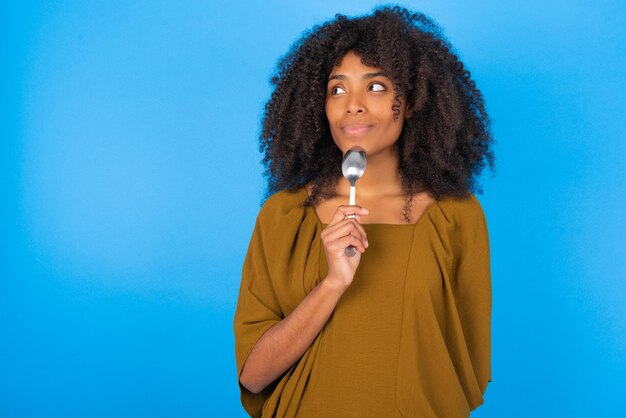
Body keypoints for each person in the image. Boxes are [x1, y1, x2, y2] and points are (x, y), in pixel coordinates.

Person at [234, 6, 494, 417]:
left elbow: (468, 369)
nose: (352, 105)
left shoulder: (455, 217)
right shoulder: (283, 216)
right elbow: (253, 376)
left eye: (375, 87)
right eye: (337, 90)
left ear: (409, 102)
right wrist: (333, 284)